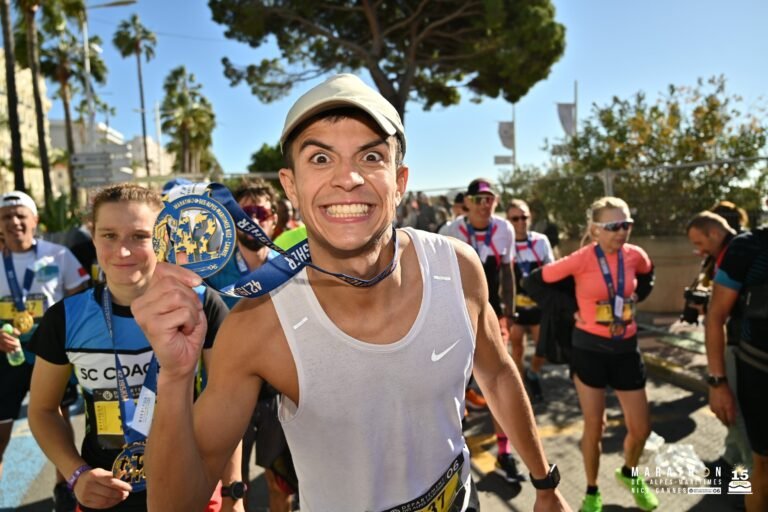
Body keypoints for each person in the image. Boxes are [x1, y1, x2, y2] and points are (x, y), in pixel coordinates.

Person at [132, 73, 570, 511]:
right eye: (321, 158)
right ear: (291, 185)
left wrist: (544, 482)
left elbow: (495, 373)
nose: (348, 177)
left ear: (399, 181)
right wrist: (174, 377)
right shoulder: (259, 323)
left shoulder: (456, 268)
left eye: (371, 156)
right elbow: (176, 504)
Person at [26, 184, 241, 512]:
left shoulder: (200, 304)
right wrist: (77, 474)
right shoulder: (66, 318)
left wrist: (233, 492)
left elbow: (226, 400)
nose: (122, 252)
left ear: (162, 238)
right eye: (109, 235)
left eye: (139, 236)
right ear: (93, 237)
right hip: (105, 490)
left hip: (193, 482)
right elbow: (42, 409)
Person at [540, 196, 657, 512]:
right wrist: (571, 310)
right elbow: (543, 279)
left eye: (627, 224)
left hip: (626, 350)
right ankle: (592, 491)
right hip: (589, 350)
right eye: (614, 226)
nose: (622, 231)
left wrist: (639, 295)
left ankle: (629, 473)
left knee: (641, 427)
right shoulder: (581, 258)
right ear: (594, 231)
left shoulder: (635, 255)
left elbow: (648, 273)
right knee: (596, 426)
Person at [0, 190, 89, 511]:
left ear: (34, 220)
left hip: (51, 354)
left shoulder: (59, 255)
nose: (14, 222)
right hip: (6, 356)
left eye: (21, 215)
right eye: (7, 217)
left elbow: (81, 299)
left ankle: (63, 486)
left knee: (59, 419)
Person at [442, 178, 527, 484]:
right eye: (479, 199)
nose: (484, 204)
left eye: (489, 199)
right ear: (468, 202)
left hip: (490, 315)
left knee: (498, 384)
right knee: (452, 382)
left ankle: (504, 453)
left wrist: (509, 312)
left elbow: (507, 271)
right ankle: (449, 451)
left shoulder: (504, 229)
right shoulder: (450, 231)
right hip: (454, 315)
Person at [705, 223, 768, 512]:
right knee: (764, 470)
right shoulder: (748, 246)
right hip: (759, 371)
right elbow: (715, 316)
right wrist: (717, 382)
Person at [506, 199, 555, 402]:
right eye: (514, 218)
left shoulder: (540, 241)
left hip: (539, 307)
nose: (520, 222)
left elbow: (551, 270)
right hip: (517, 309)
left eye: (524, 217)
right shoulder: (504, 244)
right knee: (517, 349)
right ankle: (522, 386)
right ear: (508, 221)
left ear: (530, 217)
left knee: (543, 349)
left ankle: (533, 373)